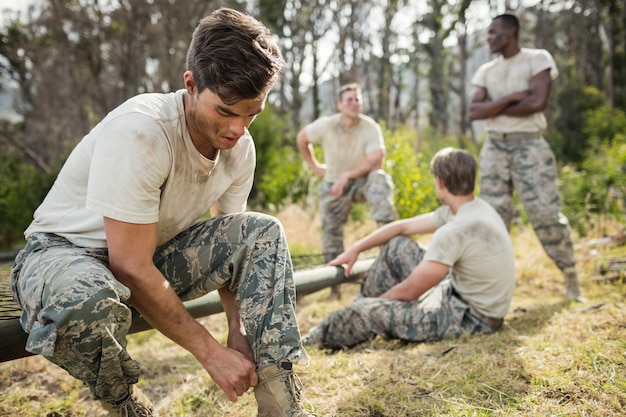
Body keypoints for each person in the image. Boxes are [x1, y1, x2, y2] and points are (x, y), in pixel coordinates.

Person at [9, 8, 315, 417]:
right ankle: (125, 404)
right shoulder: (142, 131)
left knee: (262, 233)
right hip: (63, 255)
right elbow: (129, 265)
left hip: (150, 255)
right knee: (88, 298)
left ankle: (282, 407)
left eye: (251, 114)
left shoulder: (239, 147)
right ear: (191, 84)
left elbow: (235, 248)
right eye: (225, 111)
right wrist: (212, 354)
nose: (238, 129)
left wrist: (236, 331)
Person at [303, 147, 515, 350]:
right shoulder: (473, 208)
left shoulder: (454, 230)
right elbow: (402, 227)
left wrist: (375, 305)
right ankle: (358, 317)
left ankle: (311, 340)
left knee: (368, 310)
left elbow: (409, 292)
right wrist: (356, 249)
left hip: (472, 319)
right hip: (459, 293)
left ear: (440, 182)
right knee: (397, 246)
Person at [468, 13, 585, 302]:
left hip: (529, 145)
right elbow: (473, 111)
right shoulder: (486, 70)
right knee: (493, 218)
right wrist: (510, 98)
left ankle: (570, 276)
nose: (489, 38)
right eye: (488, 32)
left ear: (511, 33)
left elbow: (537, 102)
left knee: (544, 212)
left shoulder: (537, 59)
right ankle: (496, 288)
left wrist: (492, 107)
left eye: (494, 32)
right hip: (494, 146)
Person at [296, 82, 397, 299]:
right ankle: (334, 288)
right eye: (349, 99)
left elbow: (376, 160)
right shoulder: (327, 125)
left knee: (380, 179)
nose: (354, 103)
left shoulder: (370, 127)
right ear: (340, 104)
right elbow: (302, 139)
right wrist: (315, 167)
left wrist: (348, 175)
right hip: (333, 185)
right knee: (331, 234)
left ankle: (390, 259)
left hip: (360, 182)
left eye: (357, 99)